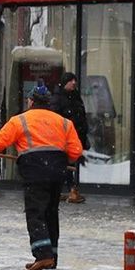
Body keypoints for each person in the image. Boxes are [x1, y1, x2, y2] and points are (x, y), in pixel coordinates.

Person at [0, 81, 83, 270]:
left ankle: (43, 254)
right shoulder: (64, 122)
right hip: (57, 171)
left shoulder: (20, 120)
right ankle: (51, 257)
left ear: (30, 101)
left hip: (35, 170)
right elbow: (75, 151)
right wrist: (61, 160)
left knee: (35, 212)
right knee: (50, 213)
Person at [50, 72, 91, 204]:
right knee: (67, 164)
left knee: (69, 163)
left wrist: (83, 131)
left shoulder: (75, 96)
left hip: (76, 135)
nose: (73, 83)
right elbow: (55, 118)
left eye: (75, 81)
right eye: (70, 81)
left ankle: (64, 190)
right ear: (64, 83)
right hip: (65, 137)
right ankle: (71, 190)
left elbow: (81, 114)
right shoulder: (58, 98)